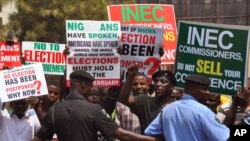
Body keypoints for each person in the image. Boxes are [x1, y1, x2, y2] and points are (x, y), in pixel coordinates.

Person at [33, 70, 161, 141]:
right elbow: (122, 134)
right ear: (83, 84)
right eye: (90, 86)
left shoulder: (54, 110)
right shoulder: (94, 109)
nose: (92, 89)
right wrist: (152, 140)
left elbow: (39, 138)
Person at [145, 74, 229, 141]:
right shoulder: (203, 112)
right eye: (204, 89)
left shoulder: (167, 110)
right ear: (191, 89)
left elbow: (150, 131)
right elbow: (225, 137)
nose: (207, 92)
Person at [119, 64, 176, 134]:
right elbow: (123, 99)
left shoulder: (179, 106)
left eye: (163, 81)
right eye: (156, 81)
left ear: (172, 86)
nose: (158, 84)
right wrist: (130, 77)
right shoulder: (145, 101)